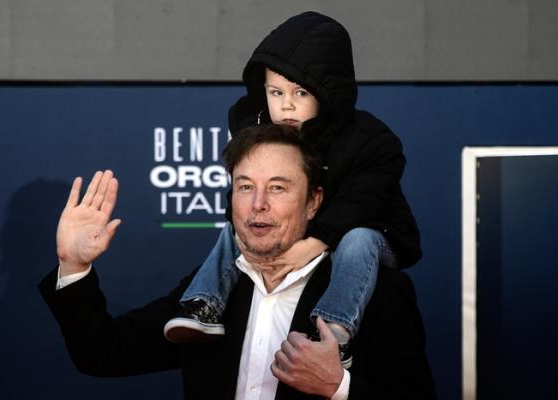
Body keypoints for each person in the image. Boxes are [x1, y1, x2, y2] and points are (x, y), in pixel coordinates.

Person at [40, 124, 435, 399]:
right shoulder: (209, 294)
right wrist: (73, 265)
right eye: (245, 186)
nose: (258, 204)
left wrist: (338, 386)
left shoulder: (376, 292)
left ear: (314, 202)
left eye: (277, 188)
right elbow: (103, 353)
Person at [165, 11, 422, 365]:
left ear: (328, 95)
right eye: (275, 92)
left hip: (374, 229)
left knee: (357, 240)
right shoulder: (255, 127)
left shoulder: (370, 139)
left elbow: (361, 202)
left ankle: (334, 333)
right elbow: (242, 194)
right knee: (237, 225)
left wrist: (314, 244)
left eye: (300, 92)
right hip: (310, 227)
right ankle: (204, 304)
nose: (286, 104)